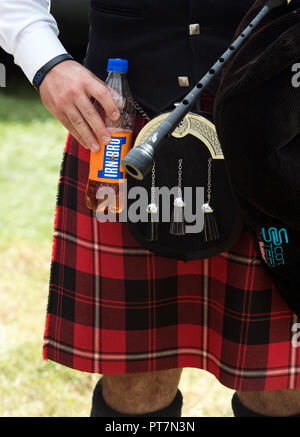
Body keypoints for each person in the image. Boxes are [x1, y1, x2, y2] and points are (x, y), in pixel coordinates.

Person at [1, 0, 300, 417]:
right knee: (136, 378)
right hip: (125, 123)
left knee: (282, 379)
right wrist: (47, 63)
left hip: (273, 125)